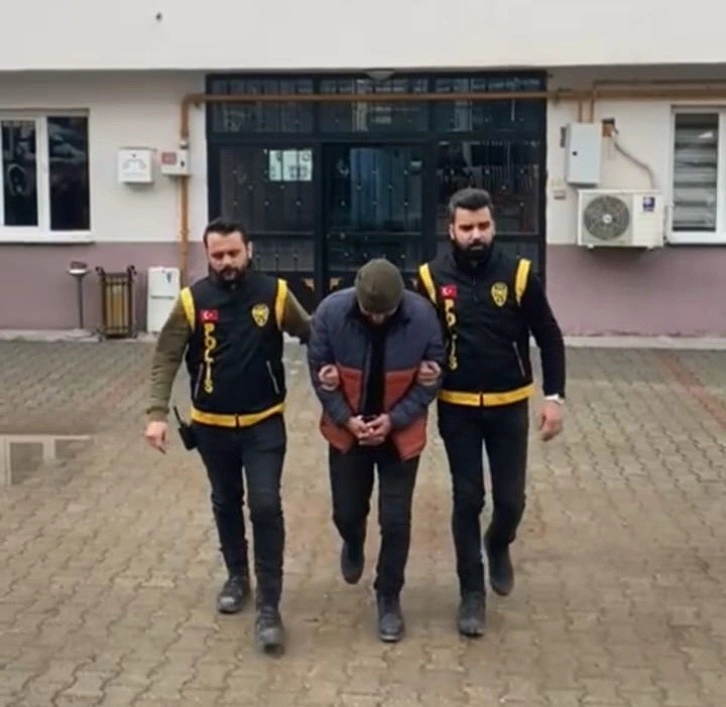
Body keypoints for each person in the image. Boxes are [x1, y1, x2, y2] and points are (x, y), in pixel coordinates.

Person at [144, 216, 311, 653]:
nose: (226, 262)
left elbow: (312, 332)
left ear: (249, 250)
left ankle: (270, 605)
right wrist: (157, 413)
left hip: (264, 423)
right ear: (208, 255)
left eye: (233, 253)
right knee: (225, 501)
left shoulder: (275, 294)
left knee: (265, 505)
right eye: (217, 255)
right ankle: (238, 577)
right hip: (211, 427)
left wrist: (339, 372)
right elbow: (166, 357)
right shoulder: (192, 301)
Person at [416, 187, 566, 638]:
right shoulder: (429, 278)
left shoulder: (518, 274)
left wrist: (554, 397)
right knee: (467, 499)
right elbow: (417, 337)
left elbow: (549, 335)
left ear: (493, 226)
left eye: (483, 226)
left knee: (510, 500)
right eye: (467, 227)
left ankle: (499, 542)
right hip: (457, 407)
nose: (476, 235)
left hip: (508, 405)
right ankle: (471, 594)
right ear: (451, 230)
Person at [307, 258, 446, 643]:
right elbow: (318, 371)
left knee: (396, 520)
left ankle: (388, 595)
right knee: (347, 511)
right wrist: (346, 419)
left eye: (386, 312)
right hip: (348, 432)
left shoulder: (423, 318)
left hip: (399, 435)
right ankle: (352, 540)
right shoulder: (330, 313)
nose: (378, 319)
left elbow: (432, 379)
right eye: (371, 312)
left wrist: (393, 420)